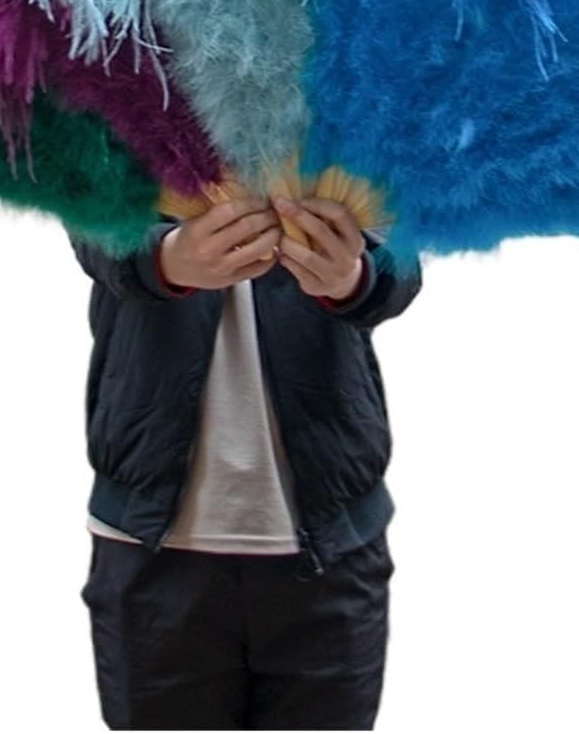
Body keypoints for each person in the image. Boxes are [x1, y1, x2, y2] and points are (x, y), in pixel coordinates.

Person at [67, 193, 423, 730]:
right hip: (149, 544)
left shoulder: (355, 138)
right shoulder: (119, 138)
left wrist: (353, 277)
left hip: (331, 540)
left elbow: (403, 259)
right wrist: (165, 258)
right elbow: (87, 217)